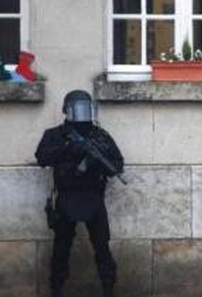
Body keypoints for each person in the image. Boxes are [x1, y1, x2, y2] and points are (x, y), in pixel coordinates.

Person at [35, 90, 125, 297]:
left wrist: (95, 160)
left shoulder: (100, 136)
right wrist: (69, 149)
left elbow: (117, 165)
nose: (81, 112)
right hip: (67, 197)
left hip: (93, 197)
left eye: (84, 107)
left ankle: (109, 288)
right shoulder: (55, 135)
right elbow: (42, 157)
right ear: (66, 110)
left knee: (102, 247)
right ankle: (56, 289)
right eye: (77, 108)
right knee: (61, 248)